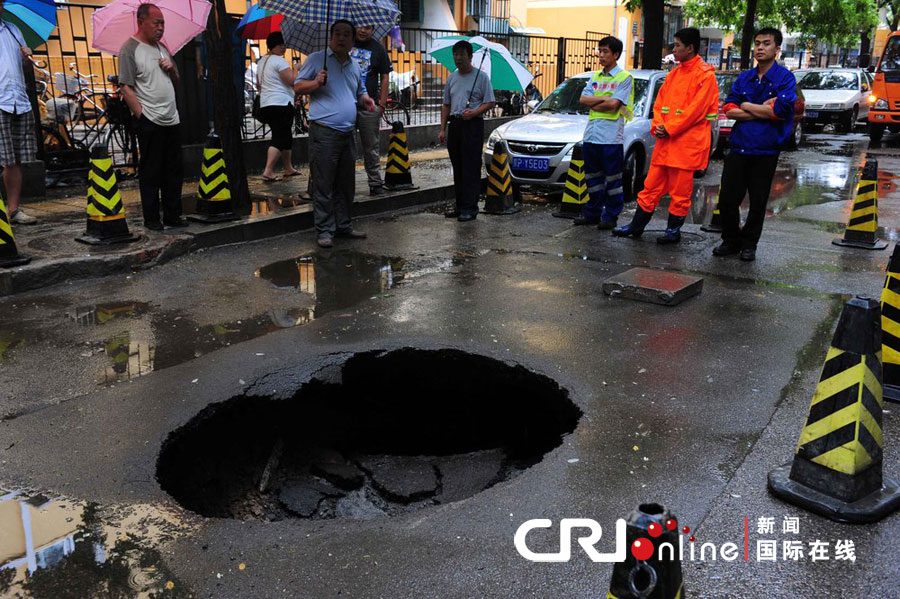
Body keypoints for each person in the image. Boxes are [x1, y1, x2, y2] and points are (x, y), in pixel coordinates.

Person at [612, 27, 718, 243]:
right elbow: (659, 105)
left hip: (685, 146)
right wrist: (659, 126)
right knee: (650, 187)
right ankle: (636, 226)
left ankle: (672, 231)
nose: (674, 49)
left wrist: (668, 128)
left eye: (678, 45)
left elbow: (695, 111)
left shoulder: (705, 76)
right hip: (666, 143)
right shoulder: (674, 74)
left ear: (690, 48)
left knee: (680, 192)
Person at [712, 27, 796, 262]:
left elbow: (780, 110)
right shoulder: (745, 77)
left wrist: (746, 105)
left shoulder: (785, 78)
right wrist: (760, 109)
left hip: (766, 149)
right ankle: (731, 240)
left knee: (758, 201)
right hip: (739, 145)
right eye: (757, 43)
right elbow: (728, 107)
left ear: (777, 49)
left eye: (766, 43)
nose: (760, 47)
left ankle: (749, 244)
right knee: (728, 199)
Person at [295, 20, 376, 249]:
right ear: (331, 37)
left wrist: (366, 99)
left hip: (347, 133)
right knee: (324, 183)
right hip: (324, 132)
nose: (342, 38)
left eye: (346, 34)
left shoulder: (354, 65)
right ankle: (324, 230)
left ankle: (343, 225)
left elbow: (359, 91)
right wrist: (316, 82)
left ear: (352, 39)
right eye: (338, 34)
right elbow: (298, 87)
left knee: (345, 184)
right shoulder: (317, 60)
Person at [118, 2, 187, 231]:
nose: (161, 28)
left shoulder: (162, 48)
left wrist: (172, 69)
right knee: (151, 172)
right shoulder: (129, 49)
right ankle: (152, 219)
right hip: (150, 120)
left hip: (171, 118)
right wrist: (142, 116)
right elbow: (126, 87)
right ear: (141, 22)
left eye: (163, 24)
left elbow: (176, 82)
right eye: (156, 23)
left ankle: (173, 215)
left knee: (173, 171)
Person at [574, 35, 633, 229]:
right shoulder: (595, 76)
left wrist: (597, 102)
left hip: (610, 137)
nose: (601, 55)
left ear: (616, 54)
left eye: (605, 51)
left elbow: (615, 105)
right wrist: (603, 101)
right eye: (599, 51)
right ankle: (592, 214)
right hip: (592, 135)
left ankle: (610, 217)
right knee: (593, 178)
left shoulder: (624, 77)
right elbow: (583, 99)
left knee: (613, 180)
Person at [439, 40, 496, 222]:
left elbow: (490, 102)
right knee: (458, 167)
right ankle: (460, 205)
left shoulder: (482, 77)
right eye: (455, 55)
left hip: (472, 126)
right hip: (455, 125)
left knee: (470, 167)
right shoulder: (452, 77)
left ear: (470, 57)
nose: (458, 58)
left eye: (462, 54)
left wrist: (473, 112)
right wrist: (442, 129)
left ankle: (470, 208)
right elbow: (446, 104)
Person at [0, 0, 38, 225]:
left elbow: (25, 67)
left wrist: (26, 56)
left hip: (18, 100)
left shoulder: (13, 30)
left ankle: (13, 210)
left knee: (15, 160)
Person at [351, 25, 392, 195]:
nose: (363, 30)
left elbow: (385, 76)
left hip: (369, 106)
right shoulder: (346, 45)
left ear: (373, 29)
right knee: (345, 147)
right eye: (360, 26)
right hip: (346, 105)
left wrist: (381, 104)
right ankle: (345, 184)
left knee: (371, 147)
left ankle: (375, 183)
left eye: (367, 27)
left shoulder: (378, 49)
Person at [258, 31, 300, 182]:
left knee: (285, 135)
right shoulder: (279, 61)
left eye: (284, 45)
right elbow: (292, 81)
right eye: (281, 45)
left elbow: (258, 84)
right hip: (280, 103)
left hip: (266, 104)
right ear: (274, 46)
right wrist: (296, 68)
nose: (284, 48)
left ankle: (288, 167)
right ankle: (268, 170)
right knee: (279, 136)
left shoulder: (262, 61)